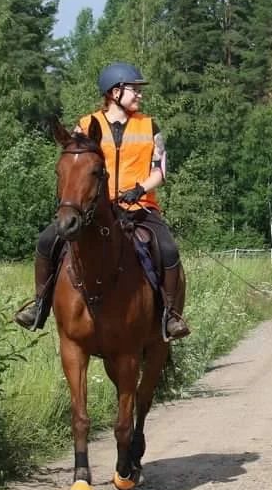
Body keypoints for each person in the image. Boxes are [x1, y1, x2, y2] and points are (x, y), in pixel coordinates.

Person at [14, 61, 190, 340]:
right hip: (95, 210)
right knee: (47, 241)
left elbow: (160, 171)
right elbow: (74, 164)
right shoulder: (85, 125)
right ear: (114, 92)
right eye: (135, 89)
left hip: (139, 207)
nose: (140, 95)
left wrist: (139, 189)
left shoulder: (149, 125)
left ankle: (171, 316)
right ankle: (39, 305)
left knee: (168, 249)